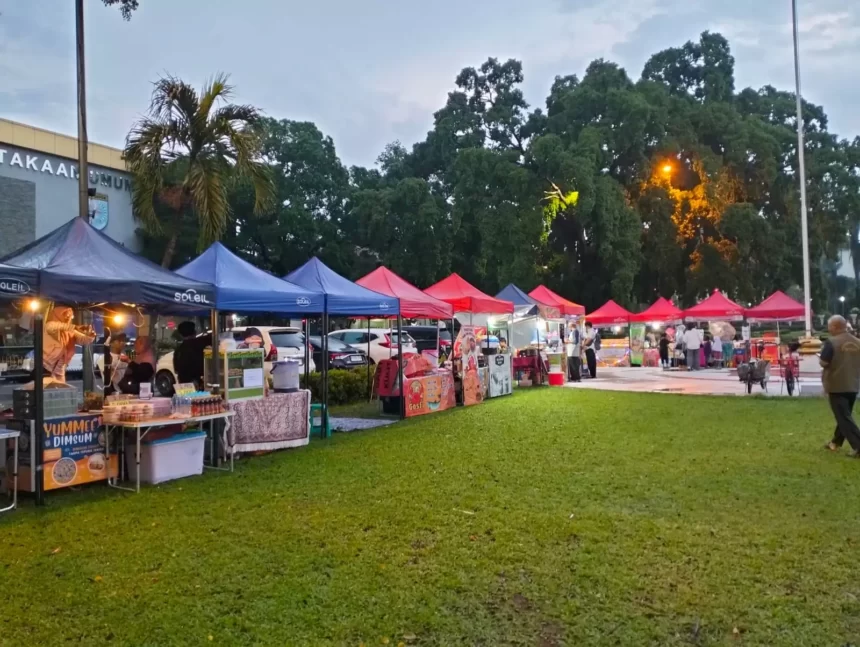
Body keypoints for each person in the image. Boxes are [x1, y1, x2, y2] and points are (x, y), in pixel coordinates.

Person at [821, 315, 860, 456]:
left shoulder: (831, 342)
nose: (828, 328)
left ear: (835, 327)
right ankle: (836, 442)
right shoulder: (857, 342)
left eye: (829, 326)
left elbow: (824, 363)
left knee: (843, 418)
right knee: (844, 415)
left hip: (837, 385)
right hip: (853, 385)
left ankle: (858, 446)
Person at [43, 306, 96, 382]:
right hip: (46, 367)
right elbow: (53, 326)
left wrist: (91, 335)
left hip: (60, 368)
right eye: (66, 316)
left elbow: (83, 339)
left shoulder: (69, 331)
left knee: (60, 391)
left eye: (70, 316)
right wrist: (74, 327)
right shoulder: (49, 326)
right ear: (58, 315)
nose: (69, 318)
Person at [173, 321, 212, 388]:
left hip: (183, 384)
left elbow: (176, 370)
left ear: (181, 335)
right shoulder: (201, 342)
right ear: (194, 332)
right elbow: (213, 338)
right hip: (198, 382)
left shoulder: (179, 349)